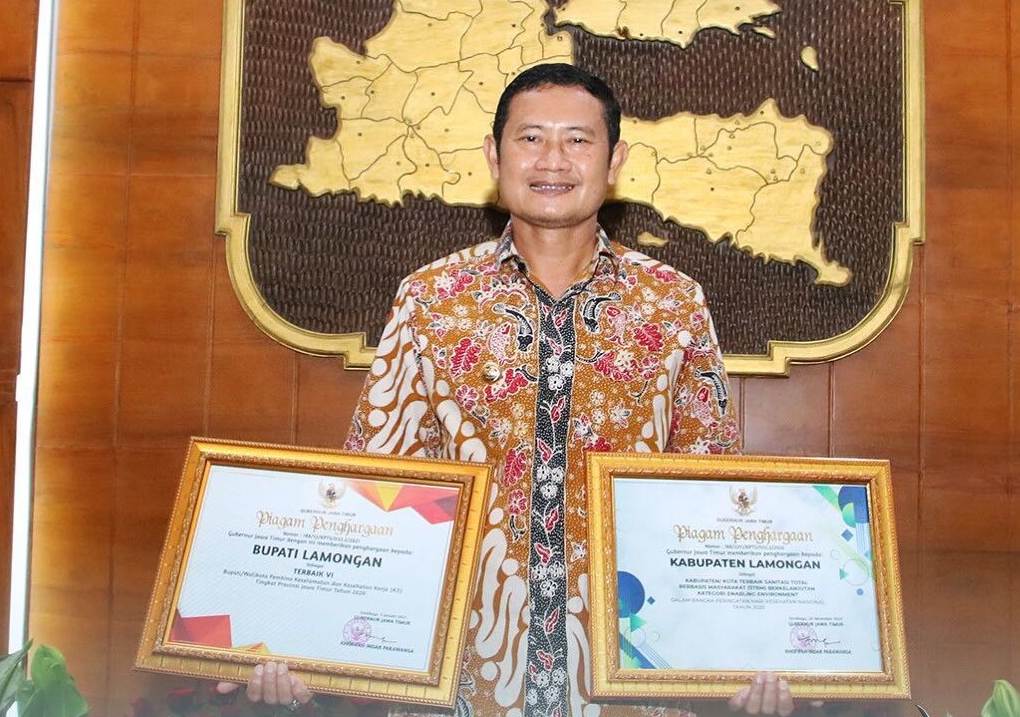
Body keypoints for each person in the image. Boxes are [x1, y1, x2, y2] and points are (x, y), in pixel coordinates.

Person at [223, 63, 805, 717]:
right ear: (493, 156)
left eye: (578, 140)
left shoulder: (673, 304)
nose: (553, 159)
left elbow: (712, 493)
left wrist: (749, 646)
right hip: (460, 684)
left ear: (614, 161)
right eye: (530, 138)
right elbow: (376, 492)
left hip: (629, 686)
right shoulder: (431, 300)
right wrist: (305, 643)